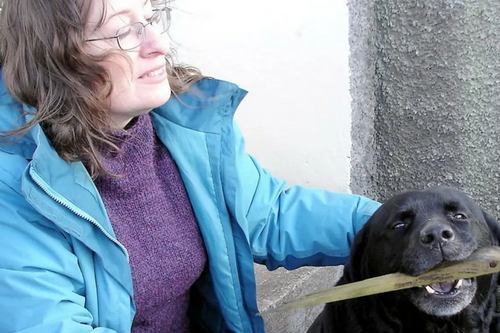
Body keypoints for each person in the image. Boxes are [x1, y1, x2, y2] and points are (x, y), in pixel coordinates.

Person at [0, 0, 380, 332]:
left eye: (150, 19)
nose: (158, 45)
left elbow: (268, 214)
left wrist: (405, 227)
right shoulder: (16, 184)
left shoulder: (182, 124)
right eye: (124, 32)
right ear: (56, 57)